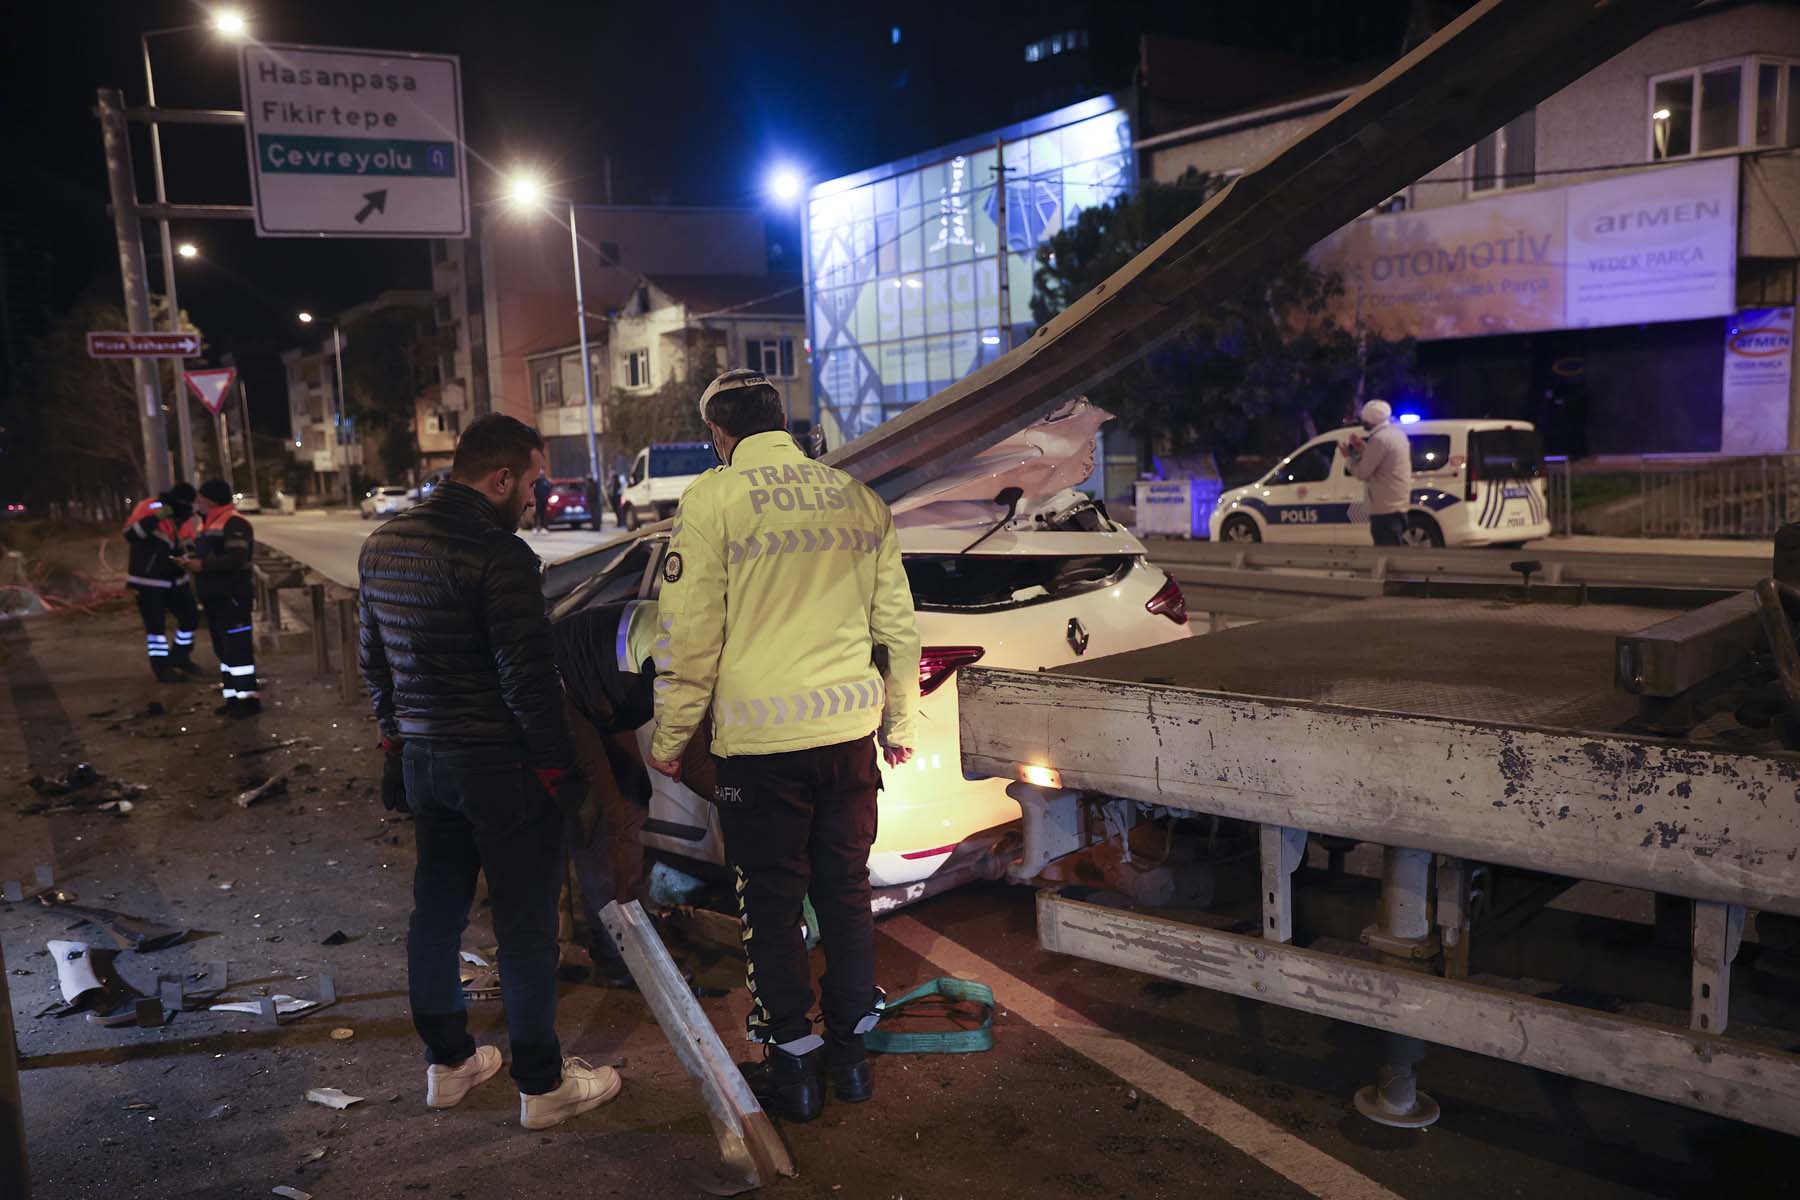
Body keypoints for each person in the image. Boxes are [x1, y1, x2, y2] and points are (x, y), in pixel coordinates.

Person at [648, 368, 921, 1123]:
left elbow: (688, 634)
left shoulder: (714, 499)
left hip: (761, 749)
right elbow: (897, 629)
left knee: (769, 906)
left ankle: (794, 1070)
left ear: (719, 436)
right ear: (786, 425)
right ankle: (853, 1061)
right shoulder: (859, 500)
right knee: (845, 894)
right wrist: (899, 727)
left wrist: (672, 738)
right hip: (847, 739)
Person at [357, 413, 619, 1130]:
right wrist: (561, 776)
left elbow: (374, 663)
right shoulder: (499, 555)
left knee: (435, 914)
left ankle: (448, 1065)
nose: (536, 498)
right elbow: (528, 684)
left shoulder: (384, 544)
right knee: (526, 924)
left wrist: (393, 743)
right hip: (498, 768)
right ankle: (541, 1085)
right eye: (533, 482)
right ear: (501, 477)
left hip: (424, 763)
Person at [177, 480, 260, 717]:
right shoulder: (208, 523)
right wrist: (189, 560)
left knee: (238, 650)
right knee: (223, 651)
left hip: (232, 597)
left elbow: (236, 558)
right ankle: (233, 698)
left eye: (200, 498)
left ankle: (249, 701)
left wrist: (201, 565)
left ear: (211, 499)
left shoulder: (234, 522)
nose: (197, 502)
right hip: (215, 598)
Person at [122, 483, 200, 682]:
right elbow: (131, 535)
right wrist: (159, 517)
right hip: (149, 580)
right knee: (156, 629)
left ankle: (180, 657)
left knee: (190, 618)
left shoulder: (187, 516)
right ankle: (161, 668)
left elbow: (189, 542)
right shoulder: (150, 506)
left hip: (176, 578)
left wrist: (189, 555)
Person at [1346, 398, 1413, 546]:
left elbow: (1362, 472)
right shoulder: (1397, 434)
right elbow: (1384, 461)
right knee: (1395, 551)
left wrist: (1349, 457)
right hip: (1398, 505)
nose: (1362, 423)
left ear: (1370, 421)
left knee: (1387, 555)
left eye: (1363, 419)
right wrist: (1363, 447)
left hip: (1384, 509)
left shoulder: (1379, 439)